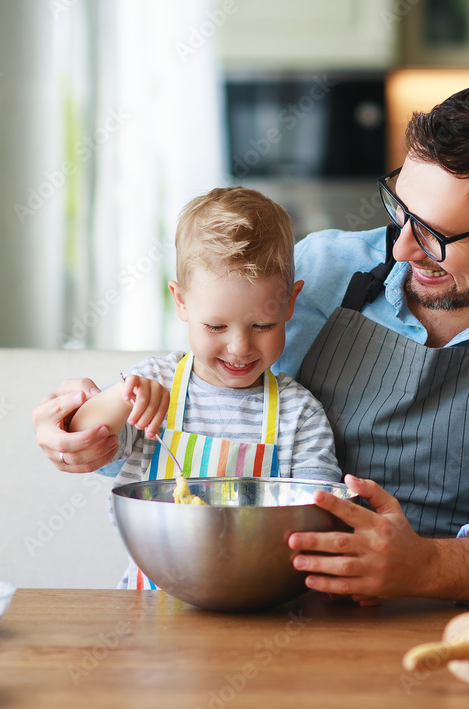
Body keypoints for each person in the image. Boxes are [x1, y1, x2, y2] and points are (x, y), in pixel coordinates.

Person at [34, 80, 469, 606]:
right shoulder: (325, 271)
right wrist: (94, 428)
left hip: (460, 631)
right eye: (400, 211)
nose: (404, 248)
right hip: (290, 613)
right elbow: (218, 407)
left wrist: (430, 567)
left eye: (437, 236)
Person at [64, 186, 342, 588]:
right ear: (181, 302)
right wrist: (122, 397)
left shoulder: (298, 414)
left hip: (260, 601)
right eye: (216, 326)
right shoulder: (152, 382)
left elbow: (320, 514)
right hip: (150, 608)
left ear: (289, 304)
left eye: (263, 325)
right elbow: (78, 435)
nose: (240, 347)